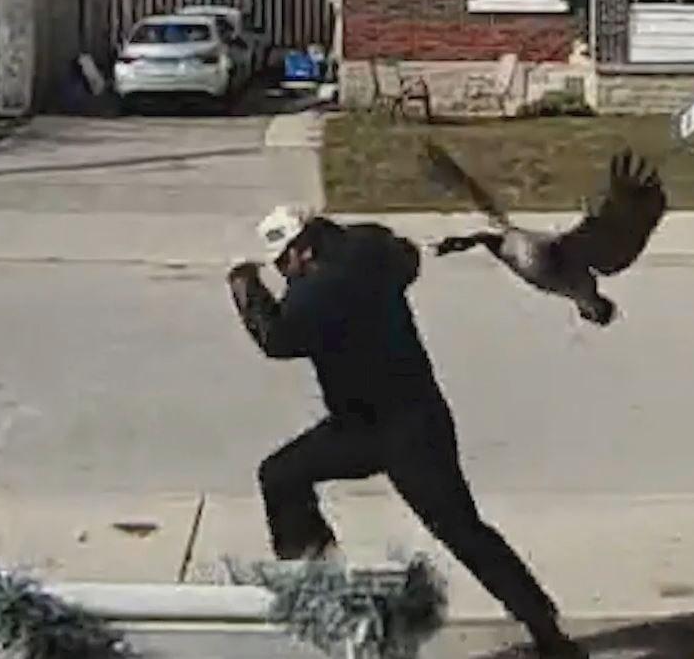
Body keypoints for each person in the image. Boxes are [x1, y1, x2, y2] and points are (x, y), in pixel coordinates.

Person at [227, 205, 588, 659]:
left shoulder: (322, 290)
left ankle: (548, 634)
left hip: (408, 432)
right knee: (281, 475)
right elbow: (404, 255)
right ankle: (324, 588)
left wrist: (245, 286)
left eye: (284, 262)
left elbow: (276, 339)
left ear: (305, 248)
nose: (284, 273)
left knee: (459, 529)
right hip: (365, 424)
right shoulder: (370, 251)